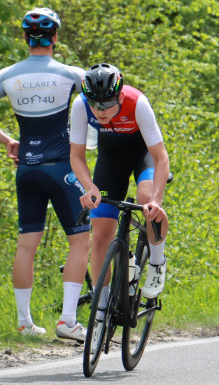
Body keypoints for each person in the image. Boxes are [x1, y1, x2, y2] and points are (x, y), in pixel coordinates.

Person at [0, 7, 89, 338]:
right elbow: (103, 104)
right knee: (80, 241)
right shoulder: (70, 73)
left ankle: (24, 323)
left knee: (26, 246)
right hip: (63, 168)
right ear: (56, 37)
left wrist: (7, 140)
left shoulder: (8, 75)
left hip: (27, 170)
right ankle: (67, 321)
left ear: (24, 38)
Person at [69, 63, 170, 310]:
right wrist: (89, 187)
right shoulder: (81, 105)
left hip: (142, 156)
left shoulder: (138, 103)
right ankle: (101, 310)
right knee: (101, 235)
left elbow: (161, 157)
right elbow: (76, 157)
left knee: (146, 198)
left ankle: (157, 263)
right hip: (110, 161)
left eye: (106, 104)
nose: (100, 111)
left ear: (120, 96)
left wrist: (157, 199)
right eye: (95, 104)